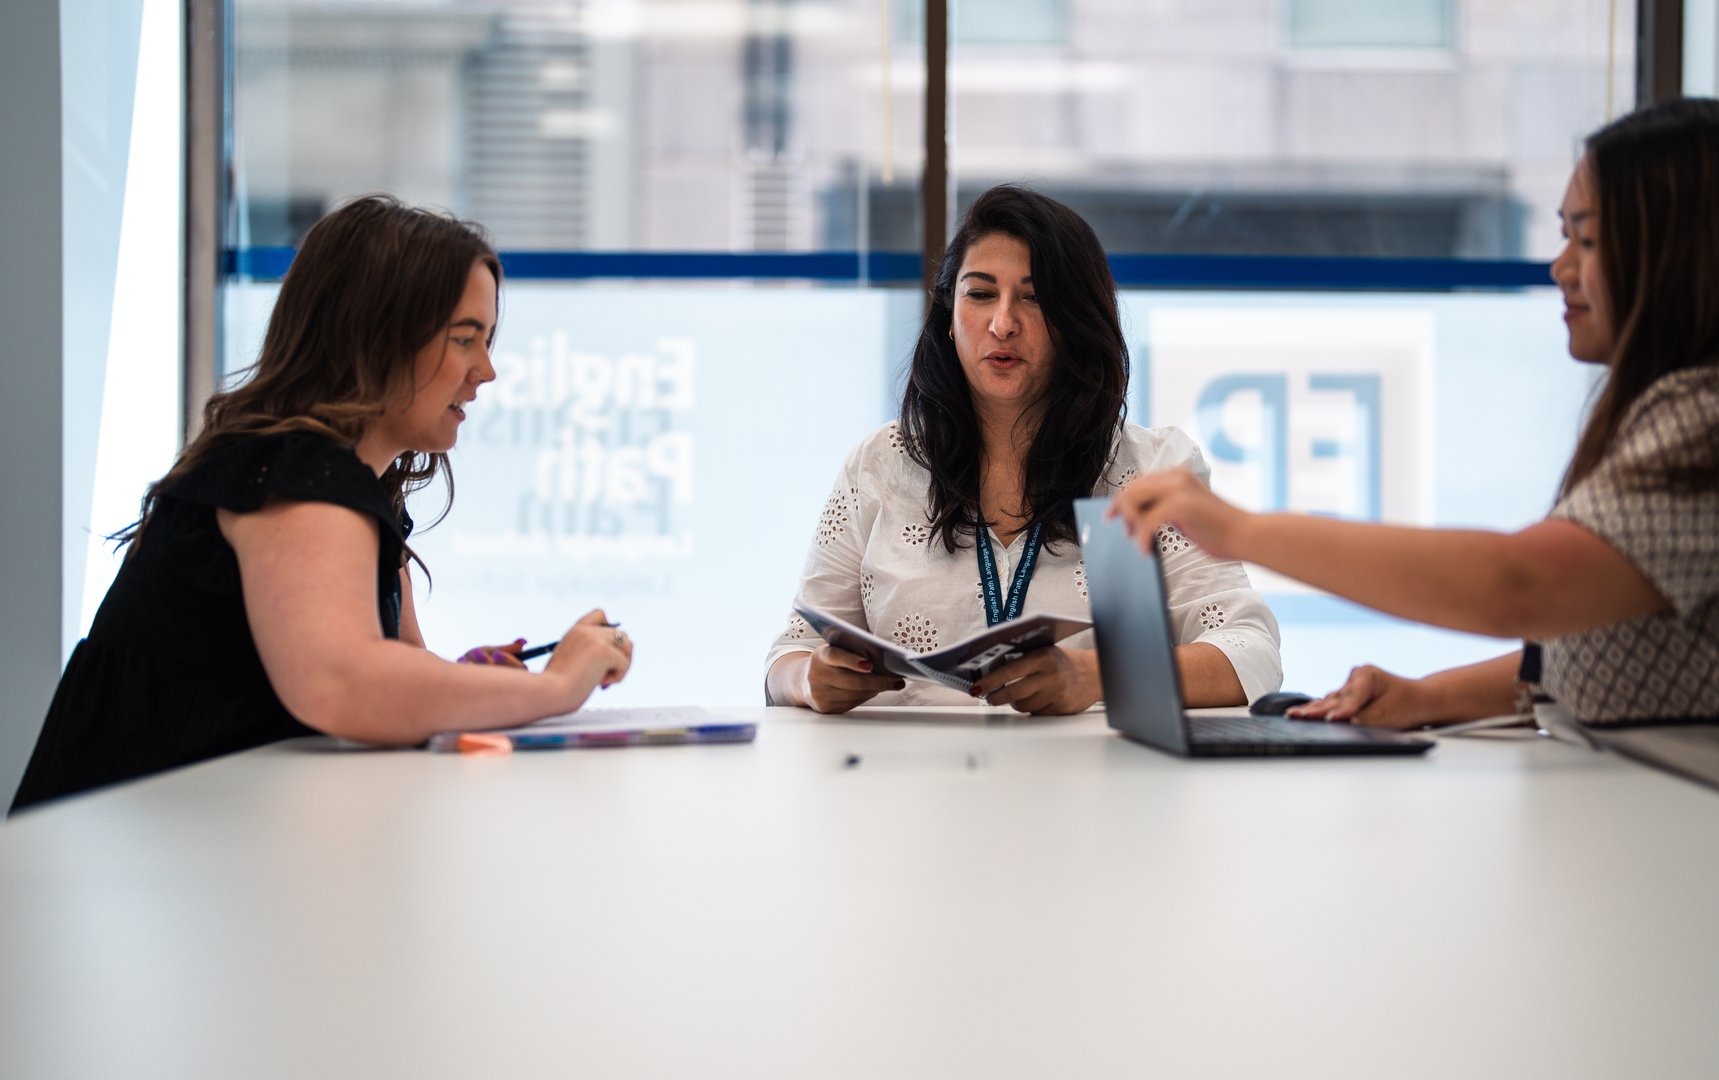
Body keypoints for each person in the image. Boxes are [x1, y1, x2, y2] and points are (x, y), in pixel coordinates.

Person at [1109, 98, 1719, 816]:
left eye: (1586, 239)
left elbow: (1524, 586)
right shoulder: (1712, 400)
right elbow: (1601, 640)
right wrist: (1426, 695)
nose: (1561, 267)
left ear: (1682, 254)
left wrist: (1240, 529)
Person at [10, 196, 632, 813]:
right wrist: (555, 686)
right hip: (133, 879)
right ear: (376, 335)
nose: (487, 370)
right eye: (464, 339)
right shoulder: (297, 476)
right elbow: (345, 685)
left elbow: (398, 669)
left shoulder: (338, 481)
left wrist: (479, 682)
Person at [764, 185, 1282, 715]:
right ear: (948, 313)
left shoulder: (1151, 470)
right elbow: (791, 653)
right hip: (907, 785)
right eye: (980, 294)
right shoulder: (879, 462)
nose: (1002, 323)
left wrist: (1096, 677)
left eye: (1033, 298)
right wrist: (809, 680)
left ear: (1075, 320)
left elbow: (1251, 655)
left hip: (1095, 789)